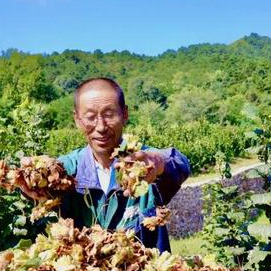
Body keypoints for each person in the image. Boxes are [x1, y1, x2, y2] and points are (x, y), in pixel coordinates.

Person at [19, 77, 190, 253]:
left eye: (109, 115)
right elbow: (40, 184)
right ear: (77, 119)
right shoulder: (68, 170)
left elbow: (180, 164)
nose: (100, 126)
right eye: (90, 117)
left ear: (125, 114)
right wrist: (30, 183)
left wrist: (160, 163)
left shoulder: (142, 162)